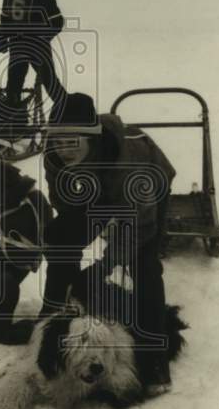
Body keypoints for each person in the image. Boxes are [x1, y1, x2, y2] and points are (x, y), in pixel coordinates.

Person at [40, 92, 176, 392]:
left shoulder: (126, 161)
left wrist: (105, 265)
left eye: (72, 141)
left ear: (91, 137)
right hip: (95, 187)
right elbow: (63, 203)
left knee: (144, 264)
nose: (63, 149)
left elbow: (140, 225)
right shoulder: (53, 154)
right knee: (60, 241)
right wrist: (67, 235)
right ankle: (50, 323)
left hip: (147, 185)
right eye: (58, 141)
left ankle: (155, 361)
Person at [0, 0, 67, 130]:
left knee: (50, 83)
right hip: (17, 46)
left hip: (38, 48)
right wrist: (0, 39)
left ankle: (69, 115)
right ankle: (15, 124)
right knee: (13, 85)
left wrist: (42, 37)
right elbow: (5, 20)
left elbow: (57, 22)